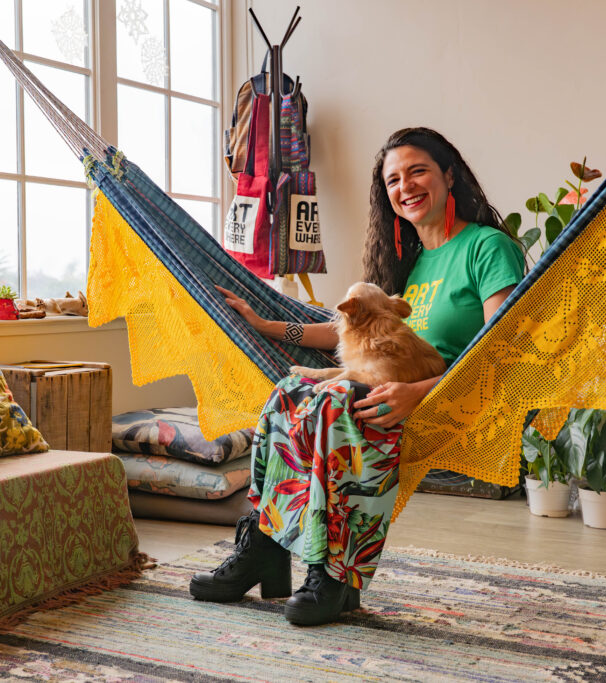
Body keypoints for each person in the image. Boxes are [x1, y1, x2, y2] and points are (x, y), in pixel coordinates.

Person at [189, 127, 526, 626]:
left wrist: (417, 393)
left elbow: (503, 353)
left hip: (445, 397)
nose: (405, 186)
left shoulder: (487, 249)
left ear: (448, 176)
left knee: (335, 400)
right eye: (393, 179)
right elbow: (348, 331)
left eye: (418, 171)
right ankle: (262, 544)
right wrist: (267, 325)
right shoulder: (406, 261)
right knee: (288, 391)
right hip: (385, 392)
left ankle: (333, 571)